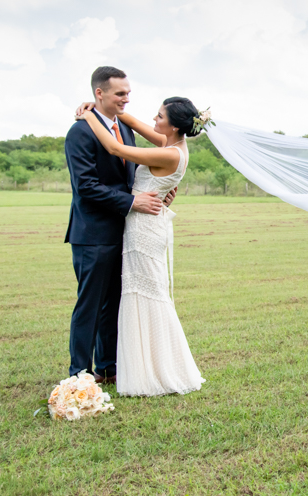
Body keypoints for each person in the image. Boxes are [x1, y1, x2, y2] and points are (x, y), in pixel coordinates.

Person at [75, 95, 205, 396]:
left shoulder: (170, 153)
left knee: (145, 295)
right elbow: (129, 121)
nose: (155, 120)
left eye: (159, 117)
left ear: (172, 126)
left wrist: (87, 115)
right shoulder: (170, 143)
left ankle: (154, 372)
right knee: (141, 293)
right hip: (143, 225)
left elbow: (115, 148)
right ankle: (143, 366)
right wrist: (106, 110)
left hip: (145, 229)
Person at [64, 66, 169, 383]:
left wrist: (159, 191)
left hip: (124, 231)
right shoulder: (80, 132)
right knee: (90, 306)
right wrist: (131, 202)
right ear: (100, 93)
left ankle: (109, 368)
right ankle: (80, 373)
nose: (126, 99)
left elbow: (133, 175)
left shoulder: (124, 130)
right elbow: (86, 186)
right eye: (120, 93)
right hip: (92, 234)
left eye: (128, 93)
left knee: (114, 303)